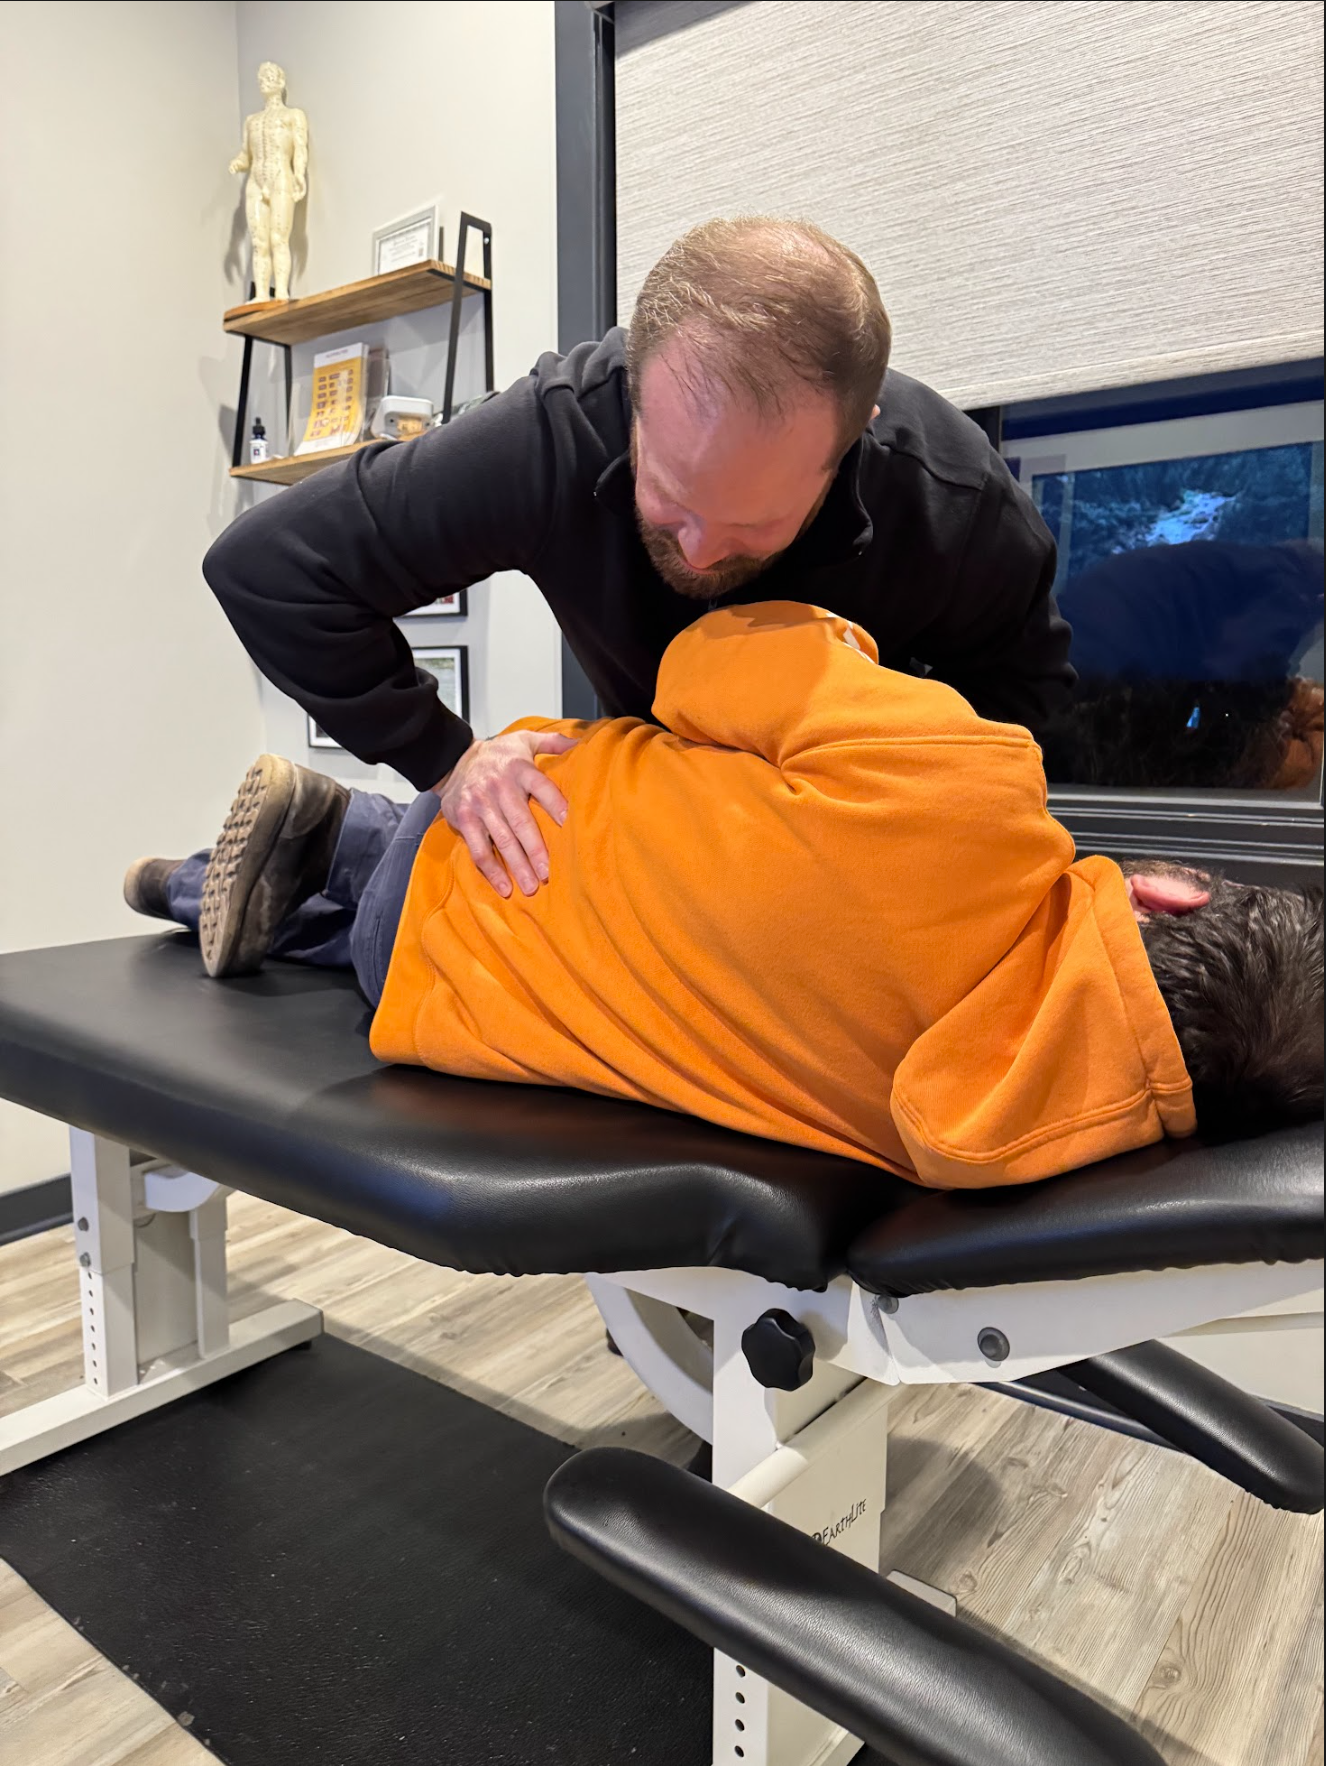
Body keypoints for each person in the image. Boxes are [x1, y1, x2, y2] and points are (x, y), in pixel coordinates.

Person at [126, 603, 1323, 1186]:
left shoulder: (982, 787)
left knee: (447, 851)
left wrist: (841, 643)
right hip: (432, 1004)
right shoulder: (1025, 1137)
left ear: (1171, 894)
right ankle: (220, 889)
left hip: (480, 841)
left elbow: (701, 662)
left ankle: (328, 837)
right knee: (378, 943)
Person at [203, 217, 1073, 906]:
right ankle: (321, 846)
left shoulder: (958, 506)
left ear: (854, 437)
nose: (699, 551)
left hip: (845, 837)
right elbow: (272, 570)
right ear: (633, 394)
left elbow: (1027, 729)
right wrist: (447, 758)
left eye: (756, 524)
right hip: (655, 807)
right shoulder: (557, 432)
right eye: (670, 496)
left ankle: (337, 838)